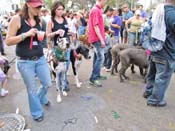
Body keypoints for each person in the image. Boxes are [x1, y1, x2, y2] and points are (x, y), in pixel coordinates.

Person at [5, 0, 52, 122]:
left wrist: (43, 40)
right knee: (31, 89)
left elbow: (43, 36)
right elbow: (8, 41)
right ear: (27, 5)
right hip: (25, 62)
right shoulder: (17, 19)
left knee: (47, 83)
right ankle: (37, 113)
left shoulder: (39, 20)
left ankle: (40, 98)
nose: (38, 9)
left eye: (40, 7)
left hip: (40, 58)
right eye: (36, 7)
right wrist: (25, 35)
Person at [143, 1, 175, 107]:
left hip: (154, 49)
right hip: (166, 51)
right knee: (162, 77)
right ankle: (155, 100)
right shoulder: (172, 14)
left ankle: (148, 92)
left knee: (152, 73)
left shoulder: (158, 11)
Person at [46, 1, 70, 103]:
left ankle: (64, 86)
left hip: (67, 47)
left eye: (62, 9)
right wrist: (56, 32)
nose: (60, 11)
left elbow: (67, 31)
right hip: (57, 48)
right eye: (58, 9)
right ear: (54, 10)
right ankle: (59, 88)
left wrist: (71, 33)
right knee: (58, 70)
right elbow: (47, 35)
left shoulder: (65, 19)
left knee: (66, 67)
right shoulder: (50, 21)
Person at [88, 0, 107, 87]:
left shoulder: (97, 9)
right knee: (100, 58)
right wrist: (101, 39)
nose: (105, 2)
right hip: (97, 39)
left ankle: (97, 75)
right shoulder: (96, 10)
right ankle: (93, 78)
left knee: (97, 57)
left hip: (96, 38)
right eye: (105, 1)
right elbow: (96, 26)